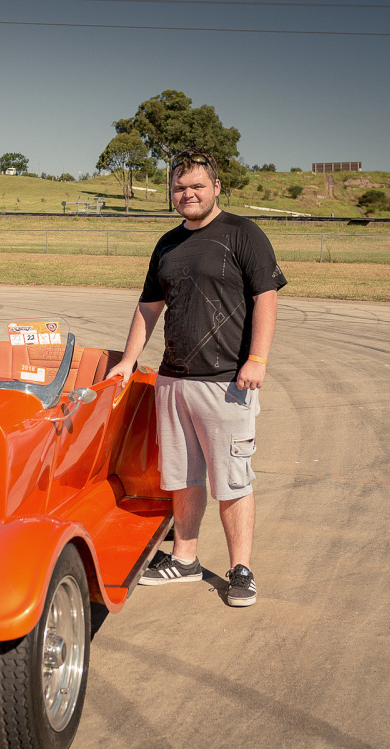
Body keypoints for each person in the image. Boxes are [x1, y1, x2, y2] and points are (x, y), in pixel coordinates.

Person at [106, 149, 287, 608]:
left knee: (232, 480)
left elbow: (266, 296)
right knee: (183, 477)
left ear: (216, 188)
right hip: (173, 381)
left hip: (227, 383)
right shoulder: (167, 243)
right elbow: (149, 306)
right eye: (180, 187)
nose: (188, 194)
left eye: (197, 186)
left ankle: (241, 569)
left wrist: (258, 359)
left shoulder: (242, 234)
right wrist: (129, 360)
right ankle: (184, 559)